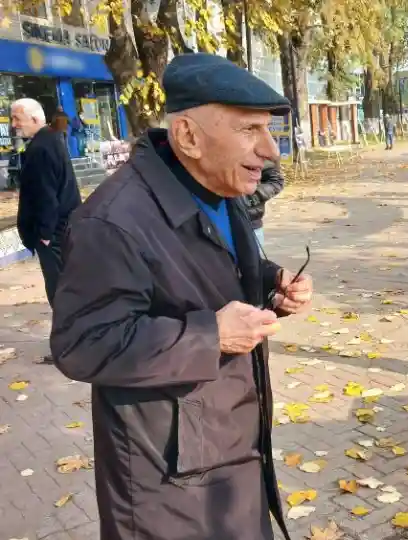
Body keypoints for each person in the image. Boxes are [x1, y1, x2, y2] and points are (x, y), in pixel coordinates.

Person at [50, 53, 313, 540]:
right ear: (188, 137)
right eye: (248, 130)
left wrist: (271, 285)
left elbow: (206, 272)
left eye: (268, 129)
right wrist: (211, 334)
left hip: (230, 449)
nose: (270, 149)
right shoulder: (111, 221)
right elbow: (82, 343)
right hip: (167, 484)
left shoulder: (218, 188)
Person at [12, 98, 80, 306]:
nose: (13, 124)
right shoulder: (52, 140)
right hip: (64, 229)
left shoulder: (40, 148)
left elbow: (45, 195)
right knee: (68, 287)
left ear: (33, 119)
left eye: (16, 118)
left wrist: (44, 235)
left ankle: (70, 335)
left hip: (54, 235)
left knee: (60, 291)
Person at [245, 160, 284, 248]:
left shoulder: (256, 150)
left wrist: (253, 197)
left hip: (251, 223)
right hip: (212, 223)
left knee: (252, 261)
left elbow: (276, 180)